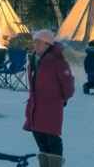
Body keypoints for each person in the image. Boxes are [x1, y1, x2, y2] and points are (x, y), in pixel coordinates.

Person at [25, 30, 74, 167]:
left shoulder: (58, 63)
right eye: (34, 42)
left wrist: (60, 99)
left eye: (39, 42)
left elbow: (68, 86)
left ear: (48, 44)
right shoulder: (33, 62)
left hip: (51, 108)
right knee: (39, 137)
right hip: (35, 107)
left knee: (52, 139)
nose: (35, 45)